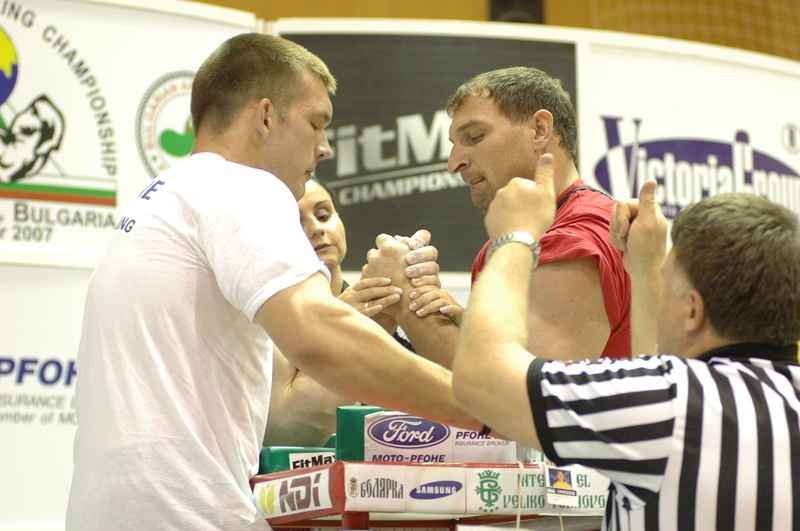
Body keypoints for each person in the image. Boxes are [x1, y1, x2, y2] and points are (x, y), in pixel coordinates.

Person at [66, 33, 479, 531]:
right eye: (316, 123)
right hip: (185, 516)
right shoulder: (241, 187)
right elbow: (318, 337)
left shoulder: (167, 198)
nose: (325, 147)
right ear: (265, 116)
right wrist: (479, 406)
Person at [452, 152, 800, 530]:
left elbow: (481, 380)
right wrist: (646, 268)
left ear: (693, 311)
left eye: (668, 284)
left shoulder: (664, 404)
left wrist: (514, 239)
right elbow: (664, 371)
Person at [364, 67, 631, 368]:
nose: (454, 163)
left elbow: (524, 399)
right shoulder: (514, 242)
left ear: (540, 129)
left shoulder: (574, 238)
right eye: (453, 145)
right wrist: (452, 320)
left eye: (474, 136)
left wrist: (406, 299)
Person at [266, 179, 427, 446]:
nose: (316, 229)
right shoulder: (265, 325)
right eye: (295, 223)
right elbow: (284, 433)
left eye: (323, 215)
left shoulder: (381, 307)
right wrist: (343, 325)